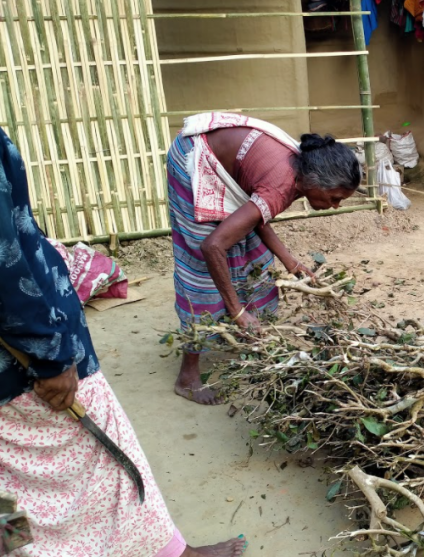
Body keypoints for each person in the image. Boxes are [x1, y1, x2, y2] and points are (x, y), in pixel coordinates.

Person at [0, 128, 247, 557]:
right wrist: (50, 354)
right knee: (108, 461)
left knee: (6, 485)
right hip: (26, 362)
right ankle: (168, 553)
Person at [167, 113, 361, 404]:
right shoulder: (282, 186)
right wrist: (235, 310)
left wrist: (289, 261)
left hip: (229, 163)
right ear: (315, 183)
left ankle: (247, 335)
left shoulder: (302, 171)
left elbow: (258, 216)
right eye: (334, 198)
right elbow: (212, 246)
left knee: (254, 258)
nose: (334, 206)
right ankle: (188, 377)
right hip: (196, 160)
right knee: (204, 277)